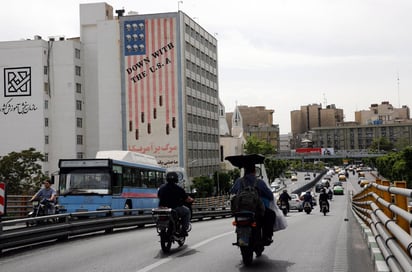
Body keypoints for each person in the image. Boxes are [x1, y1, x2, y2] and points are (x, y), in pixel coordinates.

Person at [230, 164, 275, 246]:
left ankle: (240, 238)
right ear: (255, 171)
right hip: (256, 211)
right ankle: (267, 237)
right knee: (271, 214)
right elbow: (270, 196)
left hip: (240, 210)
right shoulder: (259, 182)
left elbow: (232, 191)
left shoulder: (239, 181)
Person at [157, 171, 194, 236]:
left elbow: (158, 196)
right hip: (175, 209)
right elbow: (187, 199)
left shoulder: (161, 188)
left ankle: (163, 230)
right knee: (187, 211)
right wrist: (192, 200)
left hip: (163, 209)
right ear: (176, 179)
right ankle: (184, 230)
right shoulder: (178, 188)